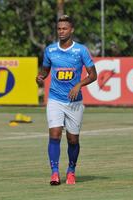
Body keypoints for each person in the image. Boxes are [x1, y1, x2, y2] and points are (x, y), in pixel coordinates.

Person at [36, 15, 97, 185]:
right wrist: (40, 78)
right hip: (55, 99)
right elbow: (45, 72)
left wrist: (79, 84)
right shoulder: (50, 50)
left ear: (72, 30)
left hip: (74, 102)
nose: (61, 31)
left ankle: (71, 170)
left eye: (65, 28)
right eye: (59, 29)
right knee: (54, 134)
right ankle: (55, 173)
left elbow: (93, 75)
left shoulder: (81, 50)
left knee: (73, 140)